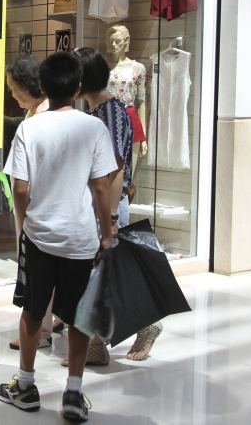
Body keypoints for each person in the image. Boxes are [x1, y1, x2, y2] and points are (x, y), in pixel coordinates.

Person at [0, 51, 116, 421]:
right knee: (79, 316)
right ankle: (73, 394)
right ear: (78, 87)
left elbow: (19, 188)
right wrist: (107, 233)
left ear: (43, 87)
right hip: (81, 239)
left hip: (39, 236)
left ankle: (27, 386)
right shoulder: (94, 127)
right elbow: (100, 186)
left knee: (33, 311)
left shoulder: (29, 128)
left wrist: (24, 223)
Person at [73, 47, 163, 363]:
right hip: (104, 205)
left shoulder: (109, 113)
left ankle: (109, 340)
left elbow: (115, 168)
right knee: (104, 273)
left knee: (103, 272)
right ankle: (103, 341)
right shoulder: (104, 111)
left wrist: (109, 217)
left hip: (108, 206)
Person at [4, 55, 66, 350]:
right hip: (44, 202)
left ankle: (39, 331)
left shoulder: (39, 119)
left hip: (34, 203)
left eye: (15, 89)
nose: (13, 95)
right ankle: (48, 322)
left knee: (36, 269)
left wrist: (24, 213)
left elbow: (21, 180)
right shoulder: (40, 114)